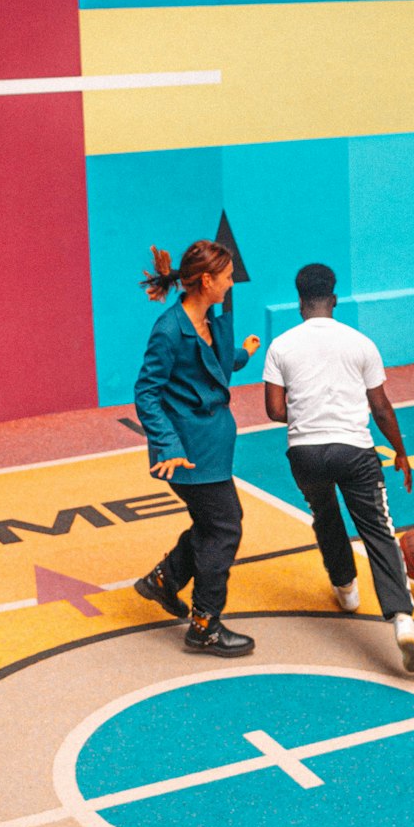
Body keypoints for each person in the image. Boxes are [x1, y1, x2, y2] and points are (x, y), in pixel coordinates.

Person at [262, 263, 414, 673]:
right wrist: (401, 452)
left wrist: (309, 414)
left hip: (304, 452)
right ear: (333, 300)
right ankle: (401, 620)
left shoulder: (280, 346)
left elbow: (273, 410)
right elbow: (381, 406)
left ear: (300, 303)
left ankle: (346, 588)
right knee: (377, 529)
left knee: (325, 514)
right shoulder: (361, 344)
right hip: (353, 451)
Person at [132, 239, 260, 656]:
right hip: (185, 453)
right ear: (206, 280)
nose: (230, 283)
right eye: (225, 277)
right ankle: (204, 624)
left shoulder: (212, 318)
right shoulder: (170, 330)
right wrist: (166, 444)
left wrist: (243, 354)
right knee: (224, 526)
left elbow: (212, 363)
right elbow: (146, 392)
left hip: (213, 446)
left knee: (212, 524)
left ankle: (164, 580)